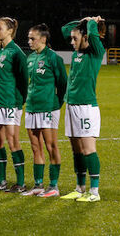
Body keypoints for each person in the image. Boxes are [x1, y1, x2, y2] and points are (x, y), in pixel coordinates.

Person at [60, 16, 106, 202]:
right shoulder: (77, 53)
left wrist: (91, 22)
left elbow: (93, 34)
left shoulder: (95, 51)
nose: (71, 41)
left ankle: (94, 192)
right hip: (72, 106)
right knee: (76, 150)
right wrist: (82, 21)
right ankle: (79, 188)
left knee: (88, 150)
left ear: (86, 37)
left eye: (75, 38)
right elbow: (65, 29)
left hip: (86, 107)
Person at [22, 23, 68, 197]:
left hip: (48, 107)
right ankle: (38, 185)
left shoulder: (53, 58)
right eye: (29, 38)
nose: (29, 41)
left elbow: (63, 84)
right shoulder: (31, 58)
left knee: (51, 145)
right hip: (32, 107)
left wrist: (56, 104)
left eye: (32, 38)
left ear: (43, 38)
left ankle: (54, 186)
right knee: (35, 147)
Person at [0, 17, 28, 192]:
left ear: (10, 31)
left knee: (12, 142)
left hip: (10, 103)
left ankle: (21, 182)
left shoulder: (17, 53)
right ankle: (1, 181)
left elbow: (23, 81)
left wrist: (18, 103)